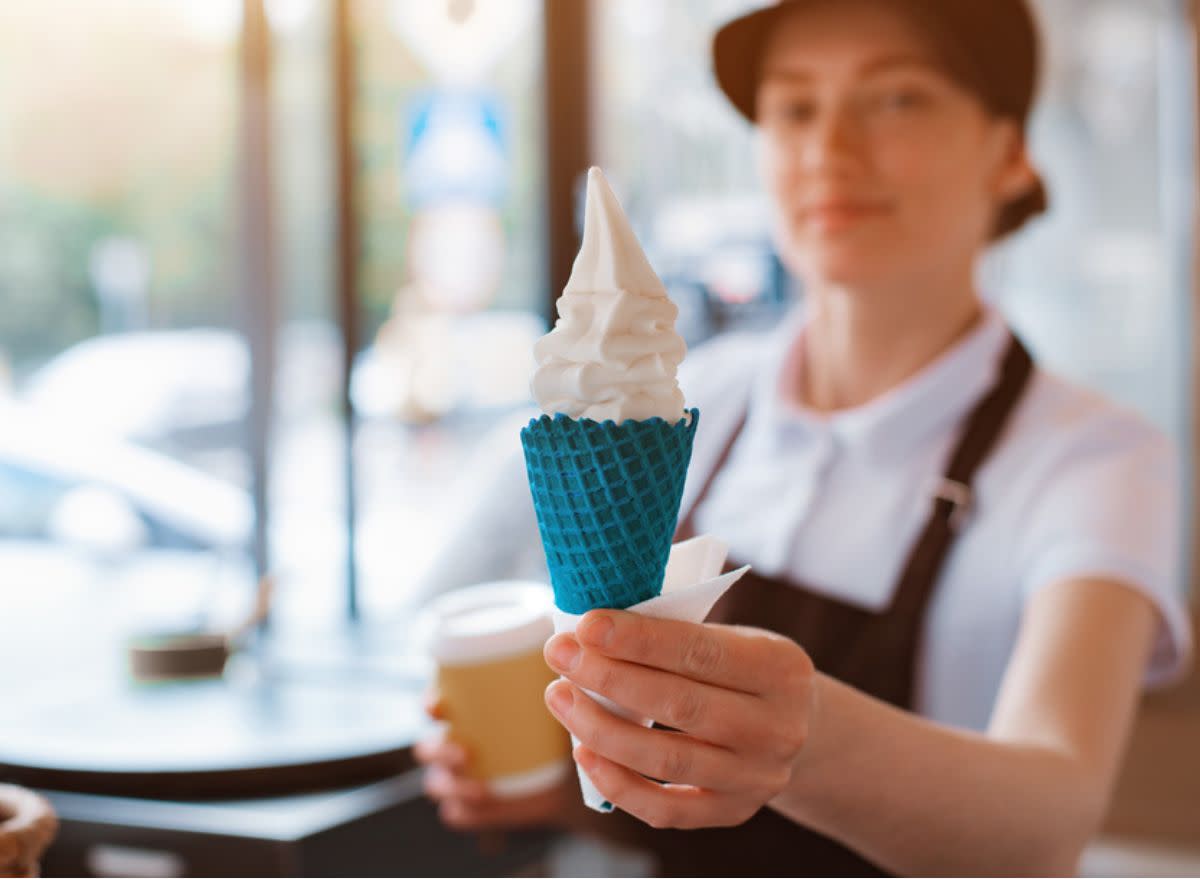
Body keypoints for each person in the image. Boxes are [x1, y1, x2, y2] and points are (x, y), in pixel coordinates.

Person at [414, 0, 1193, 874]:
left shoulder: (1097, 456)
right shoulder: (691, 402)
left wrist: (808, 739)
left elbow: (1049, 822)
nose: (829, 149)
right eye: (793, 108)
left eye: (896, 99)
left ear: (1010, 153)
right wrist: (565, 769)